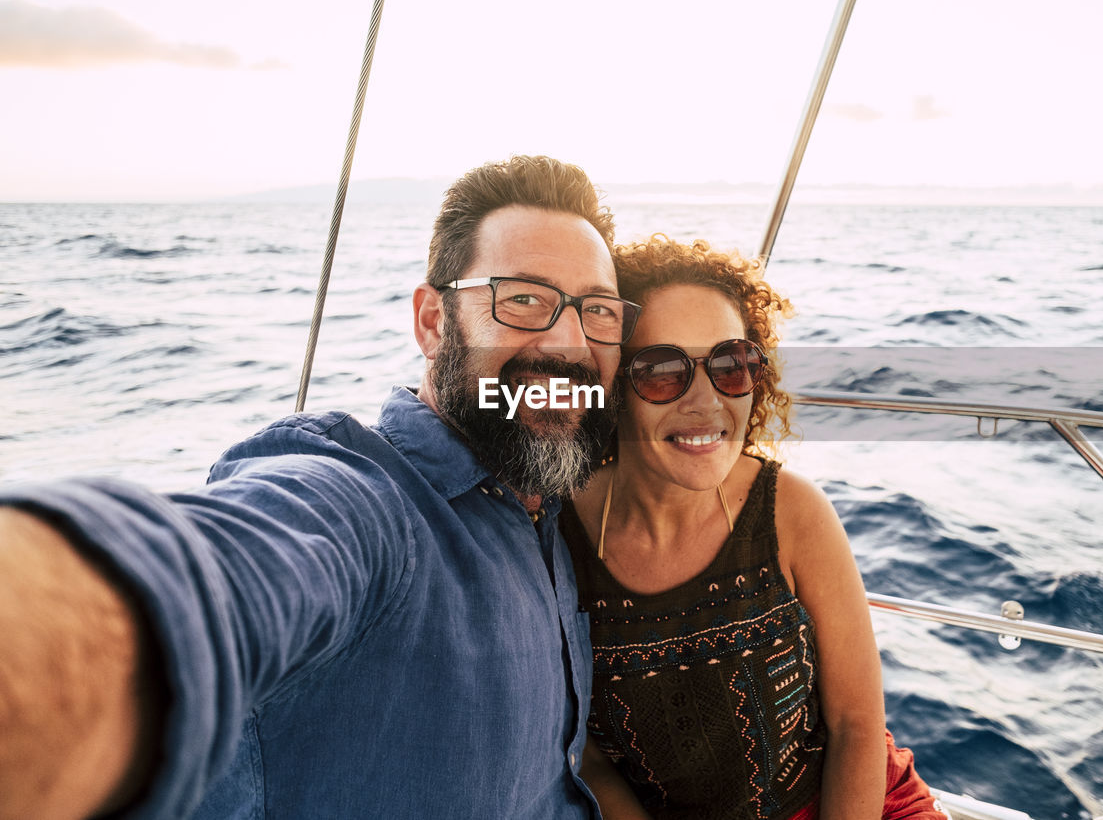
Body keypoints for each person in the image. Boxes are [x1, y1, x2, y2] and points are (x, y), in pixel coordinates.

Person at [0, 155, 641, 820]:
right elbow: (223, 574)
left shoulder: (546, 508)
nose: (569, 343)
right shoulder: (365, 498)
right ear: (432, 322)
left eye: (596, 311)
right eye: (524, 300)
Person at [563, 236, 948, 820]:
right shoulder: (557, 535)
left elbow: (857, 726)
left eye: (730, 365)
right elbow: (585, 759)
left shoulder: (793, 513)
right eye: (662, 371)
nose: (706, 401)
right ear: (611, 386)